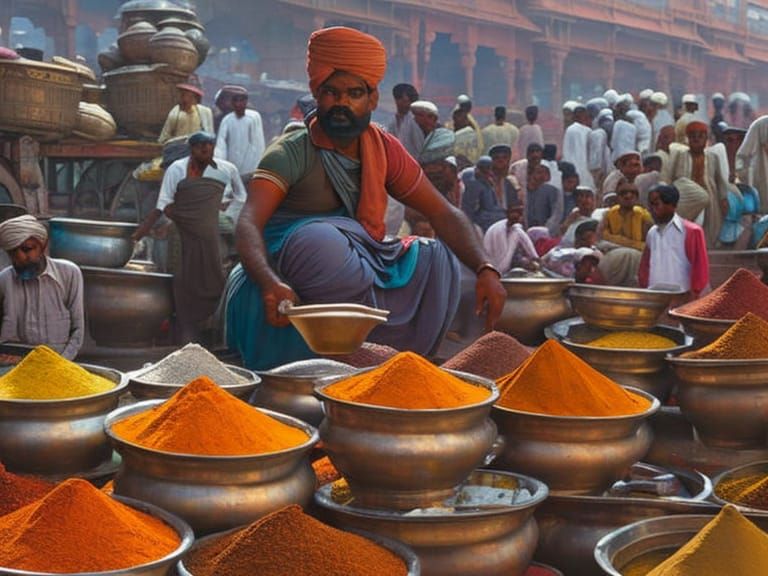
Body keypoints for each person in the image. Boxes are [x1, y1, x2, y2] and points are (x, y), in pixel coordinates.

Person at [224, 26, 505, 370]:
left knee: (436, 258)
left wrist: (486, 268)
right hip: (289, 274)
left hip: (357, 262)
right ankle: (345, 351)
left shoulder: (384, 149)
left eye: (354, 93)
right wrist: (270, 283)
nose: (341, 103)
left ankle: (387, 360)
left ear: (372, 99)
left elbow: (443, 213)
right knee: (319, 241)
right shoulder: (289, 152)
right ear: (317, 93)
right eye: (331, 92)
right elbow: (249, 224)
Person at [134, 131, 247, 344]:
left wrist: (222, 217)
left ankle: (203, 328)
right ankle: (195, 329)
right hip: (199, 232)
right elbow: (165, 206)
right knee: (194, 279)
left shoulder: (224, 170)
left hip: (213, 232)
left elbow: (163, 205)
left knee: (205, 277)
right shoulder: (179, 171)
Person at [0, 215, 83, 359]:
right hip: (17, 364)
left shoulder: (69, 273)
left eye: (27, 249)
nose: (20, 258)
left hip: (61, 362)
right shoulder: (4, 280)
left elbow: (78, 330)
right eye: (13, 252)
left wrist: (61, 363)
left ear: (43, 244)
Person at [663, 121, 729, 247]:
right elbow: (669, 178)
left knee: (707, 232)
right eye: (693, 136)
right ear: (688, 139)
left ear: (706, 139)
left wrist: (723, 198)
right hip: (685, 199)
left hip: (709, 199)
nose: (696, 139)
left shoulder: (713, 157)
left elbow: (720, 181)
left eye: (700, 136)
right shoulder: (680, 156)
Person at [639, 184, 709, 298]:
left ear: (672, 205)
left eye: (656, 204)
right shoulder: (652, 232)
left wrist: (694, 293)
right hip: (654, 296)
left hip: (683, 297)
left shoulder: (691, 231)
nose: (651, 210)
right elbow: (645, 266)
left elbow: (700, 268)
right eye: (650, 205)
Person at [215, 86, 266, 182]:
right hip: (229, 166)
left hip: (249, 170)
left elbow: (257, 145)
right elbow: (220, 145)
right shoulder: (224, 119)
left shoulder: (253, 117)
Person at [483, 201, 538, 275]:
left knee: (518, 230)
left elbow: (526, 244)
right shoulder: (499, 229)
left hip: (506, 264)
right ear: (507, 213)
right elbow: (502, 260)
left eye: (520, 212)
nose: (517, 215)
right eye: (514, 212)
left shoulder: (515, 228)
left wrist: (535, 259)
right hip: (495, 266)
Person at [598, 178, 653, 252]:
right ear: (617, 198)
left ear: (637, 198)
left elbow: (649, 243)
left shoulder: (644, 215)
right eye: (623, 193)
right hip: (614, 251)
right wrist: (632, 244)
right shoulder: (609, 214)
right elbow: (603, 236)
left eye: (633, 193)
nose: (628, 196)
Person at [562, 104, 595, 189]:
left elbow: (566, 150)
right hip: (586, 168)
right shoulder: (589, 131)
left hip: (571, 167)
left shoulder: (570, 129)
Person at [387, 83, 424, 158]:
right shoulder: (393, 121)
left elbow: (420, 147)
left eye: (401, 98)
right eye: (397, 98)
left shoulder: (415, 120)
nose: (398, 102)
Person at [526, 164, 563, 236]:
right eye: (539, 172)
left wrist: (545, 231)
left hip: (545, 233)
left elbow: (556, 215)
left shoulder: (552, 191)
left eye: (545, 173)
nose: (542, 176)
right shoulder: (522, 191)